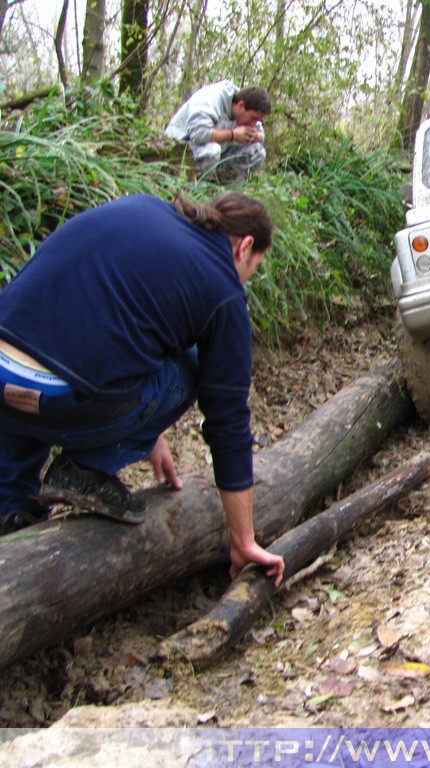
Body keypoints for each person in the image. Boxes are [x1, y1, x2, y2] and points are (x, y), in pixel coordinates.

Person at [0, 192, 285, 588]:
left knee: (36, 358)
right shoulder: (224, 290)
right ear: (245, 246)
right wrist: (243, 540)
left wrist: (149, 433)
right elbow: (227, 420)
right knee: (190, 365)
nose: (247, 277)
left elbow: (114, 320)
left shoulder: (145, 208)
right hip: (61, 397)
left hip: (4, 377)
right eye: (254, 267)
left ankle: (13, 515)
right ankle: (83, 469)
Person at [166, 81, 271, 181]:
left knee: (258, 152)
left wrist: (252, 135)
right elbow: (199, 134)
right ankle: (196, 189)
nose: (254, 124)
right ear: (240, 106)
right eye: (253, 118)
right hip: (179, 151)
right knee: (212, 150)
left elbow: (261, 135)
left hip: (216, 157)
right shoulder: (210, 99)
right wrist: (233, 135)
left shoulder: (247, 106)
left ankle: (226, 192)